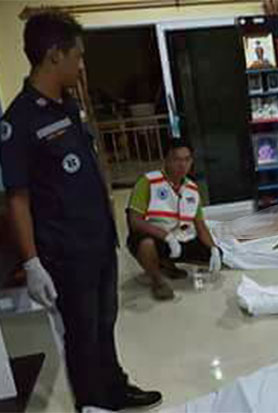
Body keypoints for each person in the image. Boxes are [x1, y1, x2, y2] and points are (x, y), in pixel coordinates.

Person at [0, 12, 162, 411]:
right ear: (55, 55)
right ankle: (92, 405)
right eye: (78, 56)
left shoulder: (68, 106)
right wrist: (32, 262)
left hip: (98, 240)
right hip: (66, 252)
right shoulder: (18, 121)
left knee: (104, 324)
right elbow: (16, 198)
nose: (82, 65)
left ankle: (115, 389)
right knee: (81, 334)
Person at [126, 139, 222, 301]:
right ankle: (158, 280)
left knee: (213, 255)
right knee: (146, 244)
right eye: (177, 159)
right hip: (155, 237)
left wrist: (213, 248)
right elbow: (134, 221)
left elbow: (200, 225)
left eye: (187, 160)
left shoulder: (192, 189)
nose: (182, 165)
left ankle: (167, 263)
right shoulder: (149, 182)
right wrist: (166, 237)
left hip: (181, 237)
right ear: (167, 160)